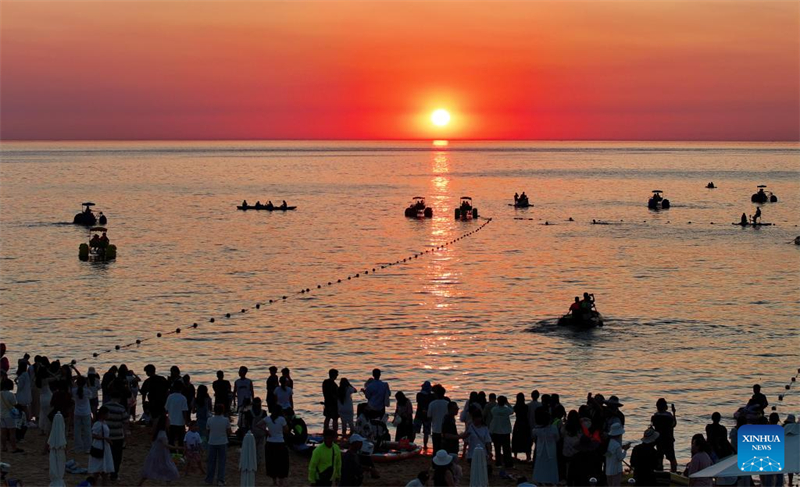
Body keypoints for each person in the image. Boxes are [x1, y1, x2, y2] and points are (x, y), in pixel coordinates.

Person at [137, 414, 180, 485]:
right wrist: (177, 448)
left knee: (165, 469)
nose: (169, 423)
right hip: (159, 454)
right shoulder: (162, 433)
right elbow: (166, 445)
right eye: (168, 421)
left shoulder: (161, 432)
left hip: (160, 454)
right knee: (168, 469)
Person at [104, 384, 129, 481]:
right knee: (117, 456)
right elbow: (125, 422)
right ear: (119, 398)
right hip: (118, 435)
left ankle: (105, 472)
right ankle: (114, 474)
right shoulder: (121, 408)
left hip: (106, 435)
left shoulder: (105, 406)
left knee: (106, 455)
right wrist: (126, 435)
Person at [531, 406, 559, 485]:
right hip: (551, 448)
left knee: (540, 464)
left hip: (541, 449)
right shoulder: (553, 428)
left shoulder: (537, 430)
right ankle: (551, 479)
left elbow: (533, 436)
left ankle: (540, 479)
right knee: (551, 465)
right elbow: (557, 438)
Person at [205, 403, 231, 486]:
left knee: (211, 462)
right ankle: (220, 480)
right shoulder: (226, 420)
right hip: (222, 442)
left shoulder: (209, 419)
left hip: (212, 442)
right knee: (222, 462)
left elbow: (208, 431)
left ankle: (209, 479)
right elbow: (229, 432)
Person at [263, 405, 289, 485]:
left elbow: (258, 425)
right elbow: (286, 430)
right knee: (281, 462)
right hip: (280, 442)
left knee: (271, 462)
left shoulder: (267, 418)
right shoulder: (282, 419)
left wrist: (266, 431)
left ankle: (274, 480)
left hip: (270, 442)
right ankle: (281, 480)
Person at [89, 406, 115, 484]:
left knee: (103, 469)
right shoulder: (98, 424)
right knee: (98, 469)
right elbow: (94, 435)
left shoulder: (103, 423)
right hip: (100, 446)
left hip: (104, 446)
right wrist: (105, 438)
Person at [490, 395, 514, 478]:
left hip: (496, 431)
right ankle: (508, 463)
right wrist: (507, 403)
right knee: (506, 448)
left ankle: (498, 463)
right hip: (505, 431)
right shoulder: (507, 410)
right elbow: (512, 411)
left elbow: (492, 411)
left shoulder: (495, 410)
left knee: (497, 448)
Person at [652, 398, 678, 472]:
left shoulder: (655, 417)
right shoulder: (669, 416)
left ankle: (660, 472)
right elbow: (674, 424)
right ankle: (674, 473)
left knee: (660, 458)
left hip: (659, 440)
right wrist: (674, 413)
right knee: (672, 459)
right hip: (668, 440)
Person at [72, 375, 92, 454]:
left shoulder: (74, 390)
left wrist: (74, 381)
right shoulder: (87, 391)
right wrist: (88, 383)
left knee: (77, 431)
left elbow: (72, 388)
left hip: (77, 412)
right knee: (87, 431)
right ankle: (88, 448)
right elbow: (91, 395)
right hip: (86, 412)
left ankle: (78, 447)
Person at [165, 381, 189, 447]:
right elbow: (184, 411)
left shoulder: (170, 397)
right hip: (180, 422)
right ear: (182, 388)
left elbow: (166, 409)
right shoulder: (183, 398)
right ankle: (180, 452)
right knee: (181, 440)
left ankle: (172, 452)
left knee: (171, 439)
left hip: (171, 421)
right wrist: (186, 421)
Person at [0, 379, 21, 454]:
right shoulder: (10, 394)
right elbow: (14, 403)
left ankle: (4, 447)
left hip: (1, 414)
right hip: (9, 415)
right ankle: (13, 448)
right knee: (12, 432)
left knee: (3, 432)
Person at [428, 384, 450, 453]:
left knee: (436, 448)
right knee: (445, 448)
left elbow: (429, 416)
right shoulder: (447, 403)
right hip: (446, 429)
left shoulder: (432, 404)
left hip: (435, 429)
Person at [605, 422, 628, 486]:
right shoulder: (617, 445)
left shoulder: (607, 443)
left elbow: (609, 454)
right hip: (616, 470)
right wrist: (625, 450)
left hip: (608, 470)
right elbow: (620, 458)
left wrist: (621, 448)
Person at [414, 381, 434, 451]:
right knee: (426, 432)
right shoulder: (431, 396)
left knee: (414, 430)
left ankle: (412, 443)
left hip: (419, 415)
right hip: (427, 416)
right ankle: (425, 445)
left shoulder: (419, 395)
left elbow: (419, 402)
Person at [512, 392, 532, 461]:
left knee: (516, 439)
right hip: (525, 423)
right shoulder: (526, 407)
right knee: (526, 439)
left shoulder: (516, 407)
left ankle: (515, 456)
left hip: (518, 423)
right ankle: (528, 456)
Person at [322, 369, 339, 433]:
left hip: (327, 402)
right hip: (333, 404)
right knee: (335, 418)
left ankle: (325, 430)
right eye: (336, 374)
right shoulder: (333, 385)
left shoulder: (325, 382)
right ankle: (335, 431)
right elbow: (335, 395)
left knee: (327, 417)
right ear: (334, 375)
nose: (337, 376)